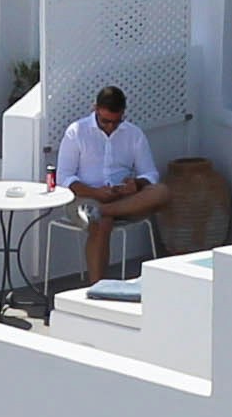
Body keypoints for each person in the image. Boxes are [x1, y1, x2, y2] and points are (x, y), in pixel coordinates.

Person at [48, 85, 164, 282]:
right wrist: (95, 193)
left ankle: (106, 210)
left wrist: (136, 184)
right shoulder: (76, 132)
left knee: (162, 192)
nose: (111, 126)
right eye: (105, 121)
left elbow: (150, 174)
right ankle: (96, 287)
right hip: (84, 197)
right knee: (102, 223)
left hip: (123, 198)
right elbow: (64, 178)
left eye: (116, 122)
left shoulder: (133, 134)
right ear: (95, 109)